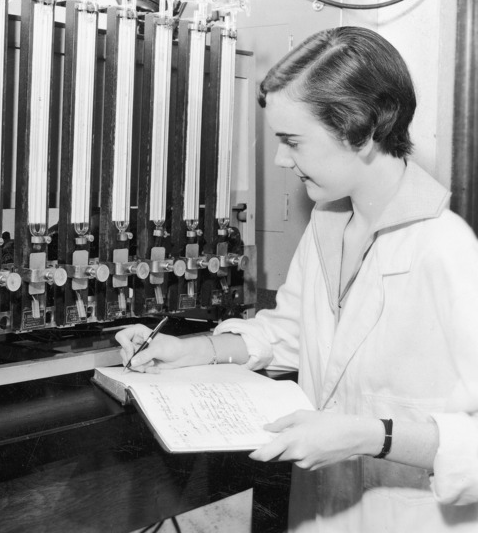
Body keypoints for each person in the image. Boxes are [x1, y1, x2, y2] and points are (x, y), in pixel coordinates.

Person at [116, 26, 478, 531]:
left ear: (365, 128)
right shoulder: (330, 224)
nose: (282, 160)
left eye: (293, 141)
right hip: (323, 513)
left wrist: (369, 435)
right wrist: (193, 349)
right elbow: (293, 332)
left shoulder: (449, 249)